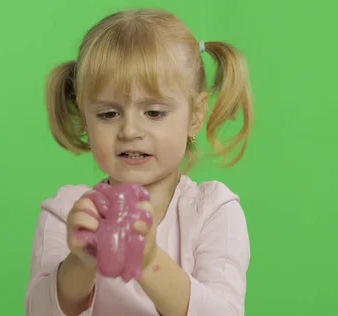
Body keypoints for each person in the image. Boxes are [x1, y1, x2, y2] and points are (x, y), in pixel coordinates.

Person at [25, 8, 253, 316]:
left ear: (195, 116)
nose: (130, 131)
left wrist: (148, 261)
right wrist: (79, 264)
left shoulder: (212, 211)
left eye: (155, 113)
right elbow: (39, 312)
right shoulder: (68, 211)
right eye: (108, 114)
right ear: (85, 120)